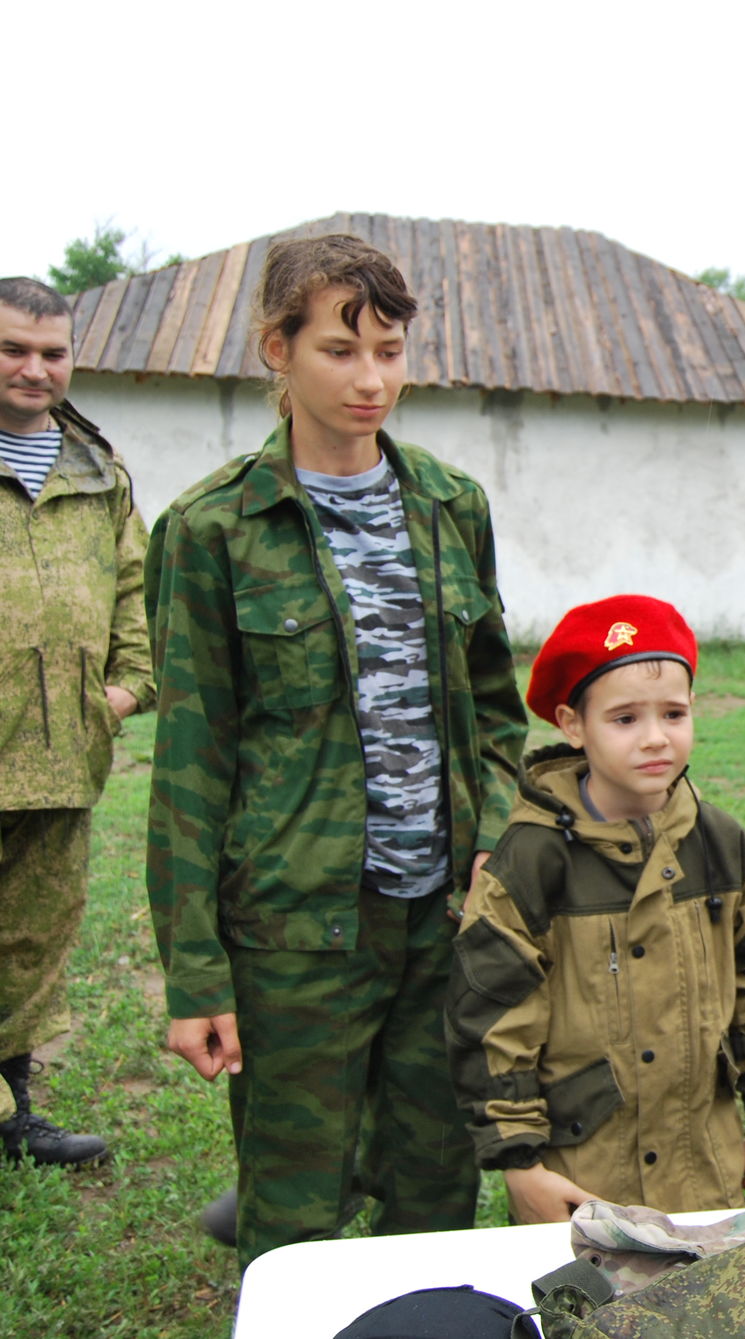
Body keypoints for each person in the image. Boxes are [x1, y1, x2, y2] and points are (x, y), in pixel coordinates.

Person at [145, 234, 526, 1265]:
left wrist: (490, 835)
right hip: (295, 929)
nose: (371, 381)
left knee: (436, 1184)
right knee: (296, 1200)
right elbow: (189, 764)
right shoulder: (214, 529)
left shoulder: (450, 507)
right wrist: (196, 976)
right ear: (278, 348)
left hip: (440, 919)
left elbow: (496, 711)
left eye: (390, 353)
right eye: (340, 350)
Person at [445, 595, 745, 1222]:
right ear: (573, 724)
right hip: (582, 1182)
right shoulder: (532, 861)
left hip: (703, 1171)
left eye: (674, 713)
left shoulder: (722, 844)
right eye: (625, 718)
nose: (656, 737)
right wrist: (522, 1167)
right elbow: (495, 1019)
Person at [0, 277, 154, 1166]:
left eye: (52, 352)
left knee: (31, 944)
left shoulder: (97, 470)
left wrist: (126, 690)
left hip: (63, 755)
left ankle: (13, 1114)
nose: (35, 368)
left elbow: (135, 590)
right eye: (13, 349)